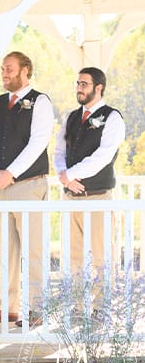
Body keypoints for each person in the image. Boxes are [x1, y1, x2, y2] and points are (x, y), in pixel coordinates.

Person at [0, 51, 54, 327]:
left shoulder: (39, 101)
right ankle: (9, 307)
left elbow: (39, 141)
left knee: (33, 249)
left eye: (9, 68)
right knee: (5, 250)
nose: (4, 73)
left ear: (25, 70)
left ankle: (37, 309)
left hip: (29, 184)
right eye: (2, 69)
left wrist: (11, 172)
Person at [54, 67, 124, 281]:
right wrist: (63, 175)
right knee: (72, 257)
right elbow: (59, 151)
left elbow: (103, 156)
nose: (79, 88)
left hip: (98, 198)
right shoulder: (72, 117)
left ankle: (101, 310)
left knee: (102, 257)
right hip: (70, 198)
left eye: (84, 84)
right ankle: (77, 308)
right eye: (77, 83)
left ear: (99, 87)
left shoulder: (112, 118)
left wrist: (71, 174)